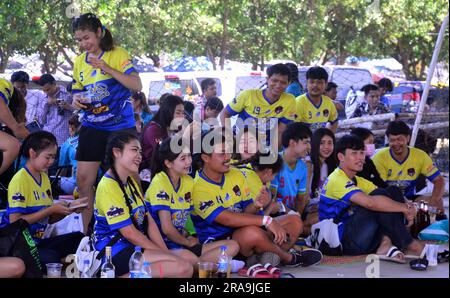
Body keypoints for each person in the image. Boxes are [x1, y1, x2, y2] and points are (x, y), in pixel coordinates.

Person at [192, 128, 321, 268]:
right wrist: (266, 220)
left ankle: (261, 257)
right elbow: (228, 219)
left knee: (295, 220)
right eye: (222, 153)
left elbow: (246, 213)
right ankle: (289, 258)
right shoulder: (197, 187)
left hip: (245, 232)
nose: (228, 157)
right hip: (223, 242)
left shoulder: (236, 174)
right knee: (252, 232)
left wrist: (255, 204)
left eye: (228, 151)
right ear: (205, 158)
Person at [71, 13, 142, 233]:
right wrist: (76, 100)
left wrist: (107, 68)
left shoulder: (117, 54)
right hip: (92, 125)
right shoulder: (79, 61)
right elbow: (77, 90)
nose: (83, 44)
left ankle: (138, 225)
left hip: (120, 125)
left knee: (128, 176)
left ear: (99, 32)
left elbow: (136, 84)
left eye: (87, 38)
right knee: (83, 180)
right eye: (79, 40)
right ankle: (85, 234)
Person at [93, 132, 193, 277]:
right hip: (114, 252)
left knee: (186, 260)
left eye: (140, 151)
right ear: (117, 152)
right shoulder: (108, 185)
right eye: (134, 150)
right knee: (183, 268)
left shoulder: (130, 181)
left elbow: (148, 221)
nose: (139, 155)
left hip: (133, 248)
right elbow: (130, 233)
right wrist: (162, 253)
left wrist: (163, 250)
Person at [319, 134, 426, 260]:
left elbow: (386, 195)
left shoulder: (357, 180)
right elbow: (370, 203)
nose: (360, 158)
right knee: (377, 200)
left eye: (361, 153)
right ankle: (408, 243)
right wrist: (404, 208)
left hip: (362, 237)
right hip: (343, 243)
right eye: (354, 153)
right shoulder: (337, 178)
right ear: (341, 157)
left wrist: (410, 205)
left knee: (393, 191)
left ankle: (386, 243)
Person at [146, 136, 239, 266]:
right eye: (183, 158)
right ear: (168, 163)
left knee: (232, 245)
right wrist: (188, 243)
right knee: (188, 256)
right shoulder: (160, 182)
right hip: (163, 246)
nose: (188, 161)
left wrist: (190, 235)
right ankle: (208, 265)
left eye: (189, 156)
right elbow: (167, 229)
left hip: (181, 242)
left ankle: (201, 265)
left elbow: (186, 218)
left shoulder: (188, 181)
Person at [0, 131, 85, 271]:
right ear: (32, 153)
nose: (51, 162)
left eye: (53, 157)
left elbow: (49, 219)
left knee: (79, 239)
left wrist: (69, 210)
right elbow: (15, 222)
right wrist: (50, 210)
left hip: (37, 241)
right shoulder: (20, 180)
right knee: (51, 258)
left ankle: (62, 261)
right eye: (48, 157)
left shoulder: (44, 178)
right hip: (17, 244)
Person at [372, 121, 445, 211]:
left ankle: (439, 224)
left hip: (411, 199)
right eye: (392, 140)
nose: (396, 143)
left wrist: (434, 200)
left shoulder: (420, 156)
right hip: (388, 200)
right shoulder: (379, 158)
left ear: (408, 138)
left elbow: (439, 180)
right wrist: (403, 206)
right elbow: (381, 189)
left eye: (399, 139)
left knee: (439, 202)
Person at [221, 63, 297, 149]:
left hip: (264, 147)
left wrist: (273, 153)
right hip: (240, 143)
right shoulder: (248, 95)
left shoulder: (290, 100)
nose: (278, 85)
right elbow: (225, 113)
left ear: (289, 83)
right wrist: (228, 136)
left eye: (283, 82)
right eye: (274, 81)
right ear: (267, 79)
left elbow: (280, 131)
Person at [271, 123, 311, 217]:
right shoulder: (275, 162)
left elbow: (300, 199)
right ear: (292, 143)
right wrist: (291, 214)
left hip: (292, 215)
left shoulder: (303, 167)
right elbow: (272, 197)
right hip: (274, 214)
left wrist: (298, 216)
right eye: (306, 142)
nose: (309, 147)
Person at [304, 128, 338, 234]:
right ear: (315, 144)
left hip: (324, 207)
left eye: (329, 143)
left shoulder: (332, 165)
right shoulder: (308, 164)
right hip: (308, 209)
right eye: (322, 143)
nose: (326, 147)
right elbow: (304, 195)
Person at [141, 95, 185, 173]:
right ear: (168, 112)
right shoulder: (153, 129)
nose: (182, 117)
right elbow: (165, 153)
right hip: (151, 171)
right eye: (178, 113)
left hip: (170, 168)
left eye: (183, 113)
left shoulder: (175, 127)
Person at [295, 66, 338, 133]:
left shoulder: (328, 102)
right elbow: (293, 129)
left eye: (319, 82)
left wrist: (329, 136)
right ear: (307, 83)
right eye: (312, 82)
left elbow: (334, 122)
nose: (315, 85)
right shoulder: (298, 102)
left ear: (326, 84)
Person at [38, 74, 74, 146]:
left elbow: (79, 112)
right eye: (44, 90)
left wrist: (68, 107)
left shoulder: (68, 93)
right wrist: (47, 105)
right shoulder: (43, 97)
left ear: (54, 83)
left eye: (48, 89)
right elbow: (41, 121)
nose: (47, 92)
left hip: (63, 136)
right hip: (47, 136)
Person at [58, 115, 81, 195]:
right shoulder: (96, 139)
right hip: (98, 182)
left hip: (77, 186)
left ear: (72, 127)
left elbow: (62, 170)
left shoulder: (68, 143)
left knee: (56, 181)